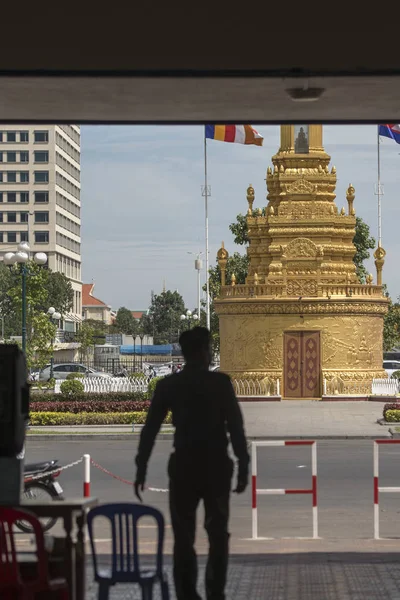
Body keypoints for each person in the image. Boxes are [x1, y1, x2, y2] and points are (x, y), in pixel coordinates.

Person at [134, 327, 249, 600]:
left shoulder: (169, 386)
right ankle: (214, 592)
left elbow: (149, 430)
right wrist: (243, 465)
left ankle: (187, 594)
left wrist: (142, 467)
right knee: (218, 534)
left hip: (184, 466)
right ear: (203, 352)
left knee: (183, 537)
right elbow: (236, 427)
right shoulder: (220, 384)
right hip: (216, 466)